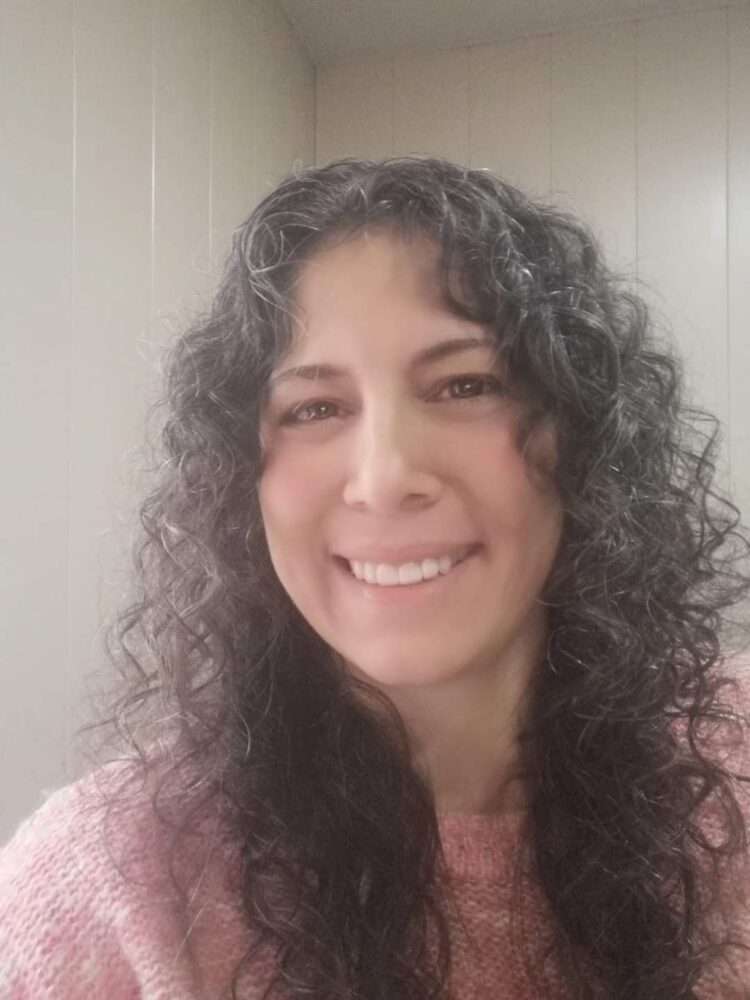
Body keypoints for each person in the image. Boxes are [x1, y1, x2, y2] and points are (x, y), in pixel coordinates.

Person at [1, 156, 750, 999]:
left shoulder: (733, 777)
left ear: (582, 442)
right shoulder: (108, 893)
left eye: (466, 385)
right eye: (314, 408)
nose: (385, 476)